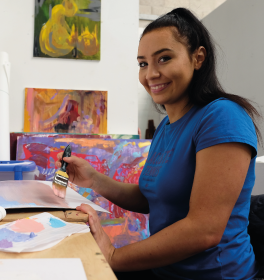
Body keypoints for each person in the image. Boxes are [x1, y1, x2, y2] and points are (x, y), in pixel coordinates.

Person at [55, 8, 262, 280]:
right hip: (165, 270)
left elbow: (205, 230)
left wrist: (114, 255)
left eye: (164, 58)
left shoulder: (223, 117)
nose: (151, 74)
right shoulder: (166, 126)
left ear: (197, 58)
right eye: (143, 64)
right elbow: (152, 198)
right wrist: (93, 179)